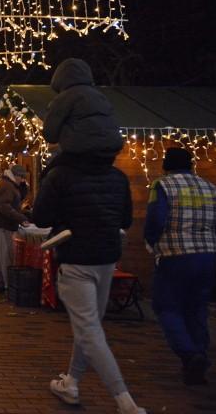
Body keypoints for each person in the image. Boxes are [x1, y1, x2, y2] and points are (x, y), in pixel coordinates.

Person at [33, 152, 145, 413]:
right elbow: (126, 220)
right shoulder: (117, 176)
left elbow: (41, 216)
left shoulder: (60, 174)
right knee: (90, 326)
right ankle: (71, 381)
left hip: (76, 256)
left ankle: (124, 400)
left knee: (89, 330)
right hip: (107, 257)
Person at [145, 147, 216, 385]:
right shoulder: (213, 188)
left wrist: (152, 240)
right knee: (197, 308)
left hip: (174, 254)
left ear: (166, 165)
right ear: (191, 164)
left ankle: (189, 353)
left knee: (167, 306)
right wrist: (211, 239)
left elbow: (156, 217)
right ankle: (199, 355)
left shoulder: (162, 186)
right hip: (207, 256)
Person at [42, 58, 124, 158]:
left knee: (51, 171)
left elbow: (50, 134)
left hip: (80, 152)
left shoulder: (63, 98)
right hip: (109, 152)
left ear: (59, 78)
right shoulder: (101, 96)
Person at [0, 164, 30, 295]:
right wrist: (21, 218)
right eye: (21, 177)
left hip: (0, 224)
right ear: (16, 176)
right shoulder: (6, 186)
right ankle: (7, 285)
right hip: (2, 225)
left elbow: (17, 200)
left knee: (0, 255)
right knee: (5, 255)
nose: (22, 180)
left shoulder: (9, 184)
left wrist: (23, 187)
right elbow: (5, 207)